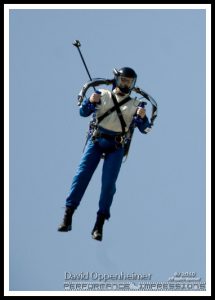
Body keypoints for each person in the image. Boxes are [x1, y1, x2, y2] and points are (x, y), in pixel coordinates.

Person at [58, 67, 151, 241]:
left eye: (129, 82)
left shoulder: (136, 104)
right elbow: (83, 112)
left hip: (116, 147)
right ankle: (68, 215)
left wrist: (143, 117)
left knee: (108, 186)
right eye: (123, 80)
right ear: (116, 79)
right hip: (96, 141)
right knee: (81, 176)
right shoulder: (102, 93)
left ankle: (99, 224)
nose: (126, 84)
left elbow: (145, 129)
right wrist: (90, 101)